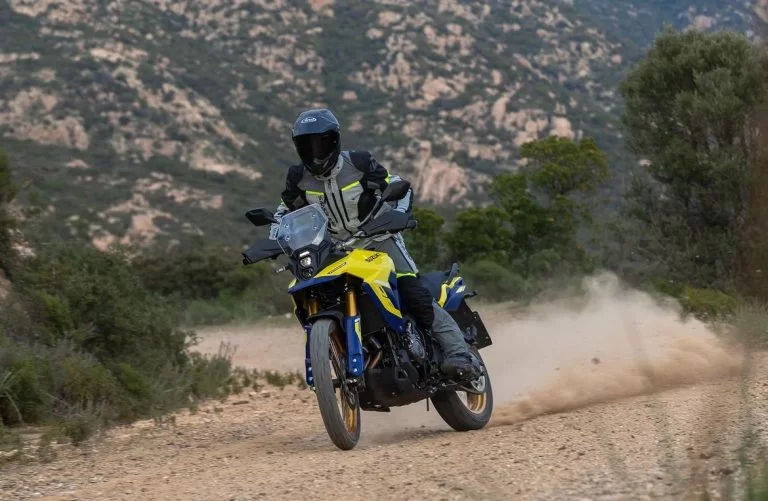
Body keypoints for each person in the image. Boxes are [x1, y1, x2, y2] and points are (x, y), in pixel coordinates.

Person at [269, 107, 479, 379]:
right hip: (335, 250)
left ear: (334, 140)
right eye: (307, 145)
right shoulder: (298, 178)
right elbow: (284, 211)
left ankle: (458, 353)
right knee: (318, 296)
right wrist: (274, 238)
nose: (315, 150)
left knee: (412, 293)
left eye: (321, 142)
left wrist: (400, 215)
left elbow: (397, 184)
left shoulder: (359, 163)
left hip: (380, 239)